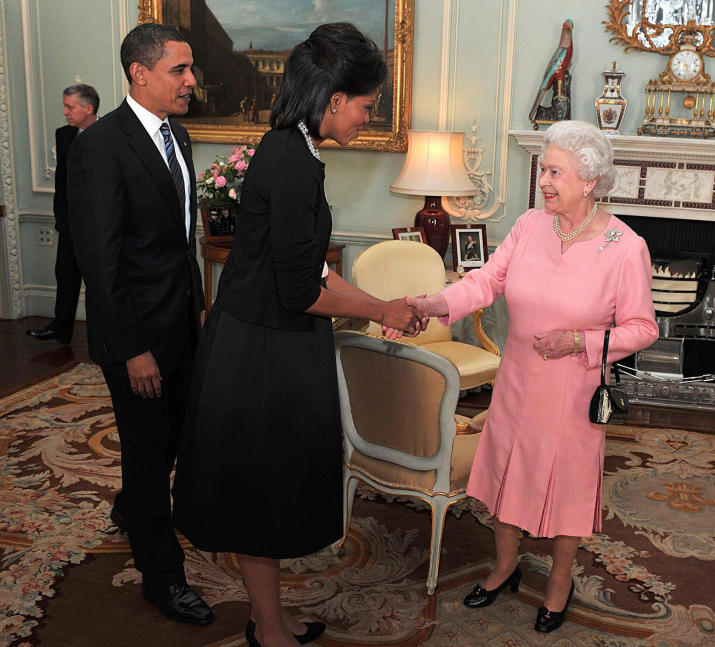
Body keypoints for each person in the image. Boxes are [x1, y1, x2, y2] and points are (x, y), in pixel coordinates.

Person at [172, 23, 425, 647]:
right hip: (261, 354)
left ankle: (271, 616)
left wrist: (375, 305)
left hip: (276, 342)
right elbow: (301, 290)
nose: (368, 118)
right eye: (367, 106)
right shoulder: (289, 162)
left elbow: (307, 270)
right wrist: (380, 308)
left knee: (272, 488)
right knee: (261, 495)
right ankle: (267, 627)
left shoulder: (295, 151)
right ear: (334, 99)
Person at [409, 120, 659, 634]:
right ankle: (504, 566)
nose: (544, 180)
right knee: (507, 476)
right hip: (517, 380)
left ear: (589, 181)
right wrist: (439, 301)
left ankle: (560, 582)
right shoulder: (528, 226)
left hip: (573, 388)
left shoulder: (625, 246)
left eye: (555, 172)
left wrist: (579, 341)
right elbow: (487, 281)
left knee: (566, 488)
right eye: (543, 169)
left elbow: (642, 328)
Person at [68, 23, 213, 625]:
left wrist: (198, 305)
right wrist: (132, 349)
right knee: (149, 454)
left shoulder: (176, 135)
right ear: (139, 73)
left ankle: (132, 505)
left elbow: (179, 243)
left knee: (177, 438)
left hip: (179, 323)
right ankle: (162, 578)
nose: (191, 80)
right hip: (134, 337)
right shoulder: (100, 146)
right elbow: (99, 263)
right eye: (179, 69)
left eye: (190, 68)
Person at [26, 84, 99, 345]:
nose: (65, 112)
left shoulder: (108, 134)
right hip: (70, 223)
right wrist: (61, 217)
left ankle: (101, 336)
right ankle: (61, 328)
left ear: (88, 108)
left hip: (99, 226)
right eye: (65, 106)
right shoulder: (65, 135)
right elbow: (62, 182)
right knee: (65, 275)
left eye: (70, 107)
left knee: (98, 282)